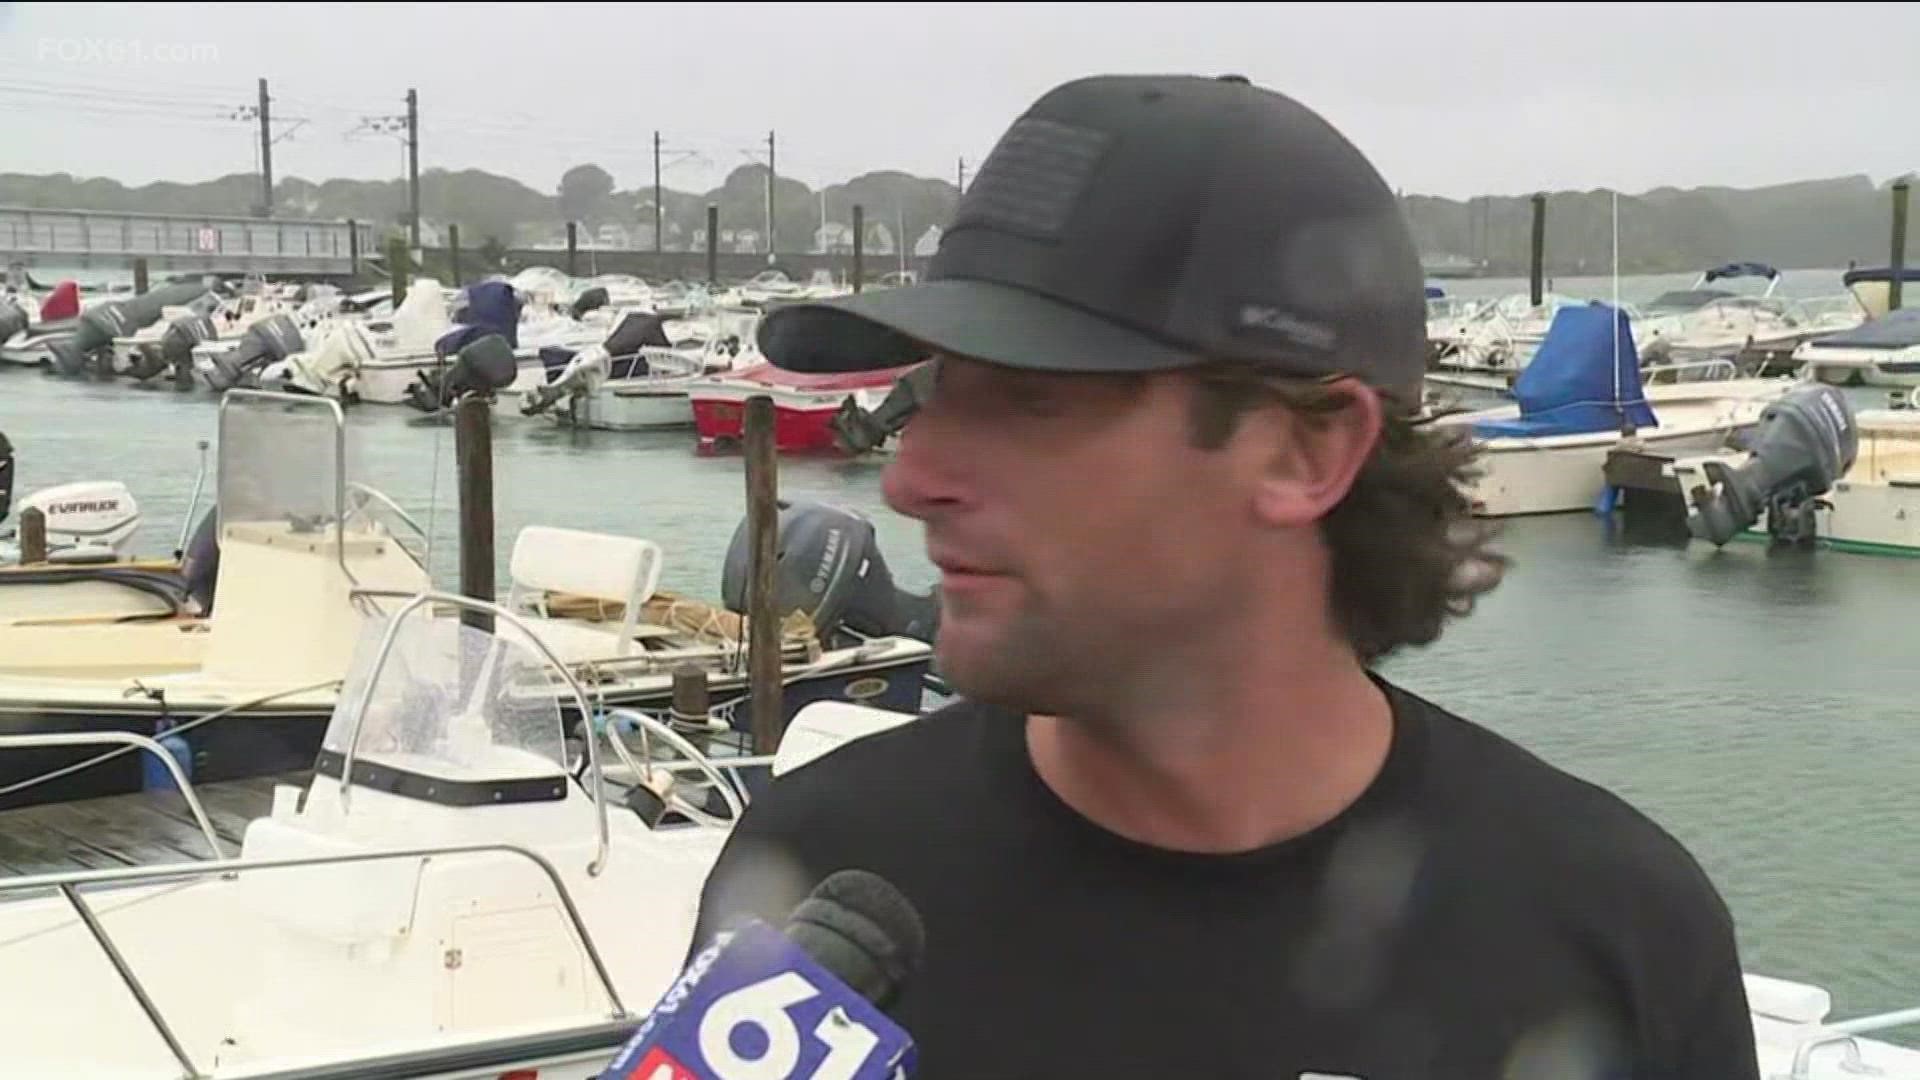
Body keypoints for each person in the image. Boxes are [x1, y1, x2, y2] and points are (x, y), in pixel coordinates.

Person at [689, 74, 1759, 1079]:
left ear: (1306, 452)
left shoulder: (1610, 934)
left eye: (1028, 401)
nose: (911, 478)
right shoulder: (828, 878)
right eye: (935, 396)